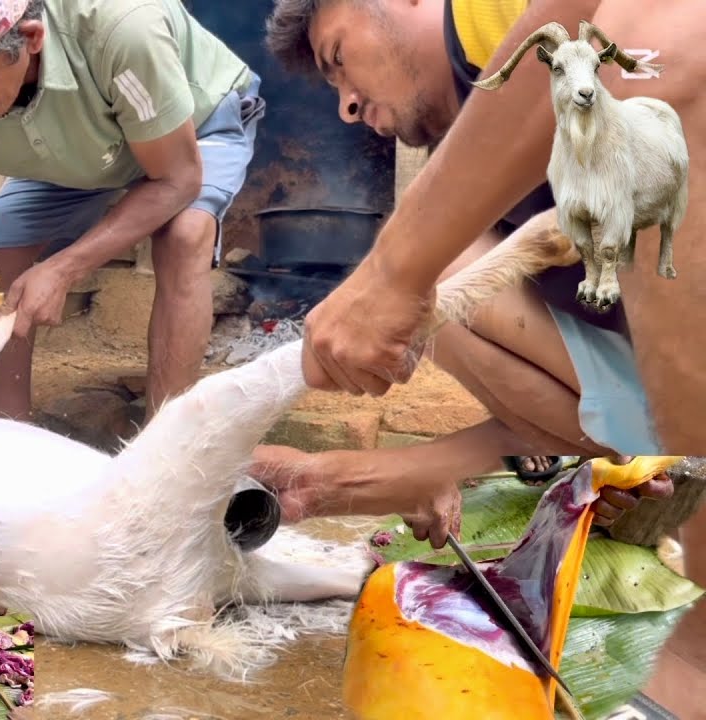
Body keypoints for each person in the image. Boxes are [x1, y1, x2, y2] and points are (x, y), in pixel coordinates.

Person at [260, 0, 705, 716]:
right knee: (450, 280)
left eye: (337, 57)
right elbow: (568, 421)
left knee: (655, 60)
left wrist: (394, 274)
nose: (344, 107)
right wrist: (349, 478)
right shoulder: (484, 178)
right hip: (669, 387)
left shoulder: (494, 17)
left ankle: (699, 652)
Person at [0, 0, 264, 422]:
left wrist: (63, 268)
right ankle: (9, 431)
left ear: (32, 39)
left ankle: (163, 446)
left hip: (193, 128)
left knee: (183, 238)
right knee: (0, 242)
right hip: (87, 148)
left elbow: (178, 179)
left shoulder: (122, 26)